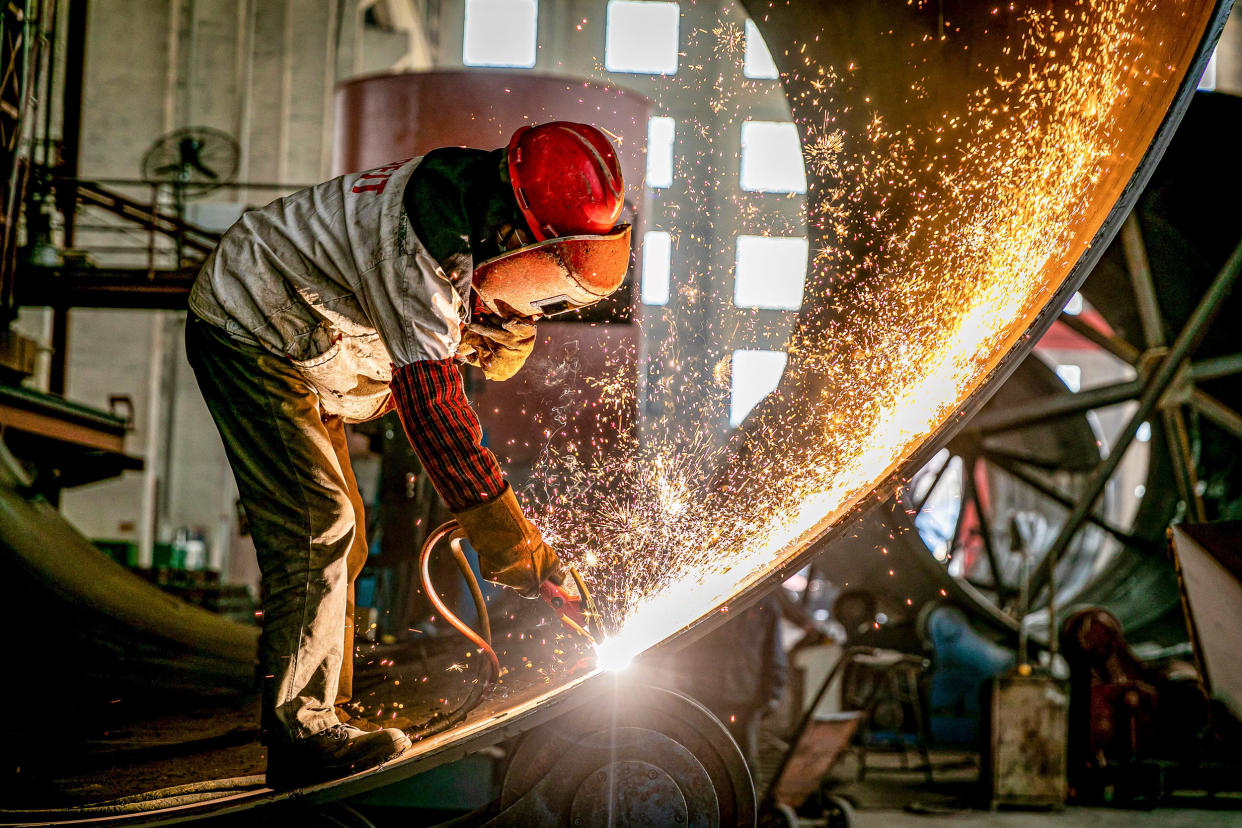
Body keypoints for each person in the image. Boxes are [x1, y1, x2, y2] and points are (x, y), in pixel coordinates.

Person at [185, 122, 630, 787]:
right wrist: (518, 551)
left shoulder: (477, 194)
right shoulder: (425, 254)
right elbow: (435, 417)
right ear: (520, 232)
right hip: (251, 330)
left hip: (309, 342)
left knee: (343, 534)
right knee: (320, 528)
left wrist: (485, 322)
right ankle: (302, 733)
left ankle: (316, 707)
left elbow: (459, 300)